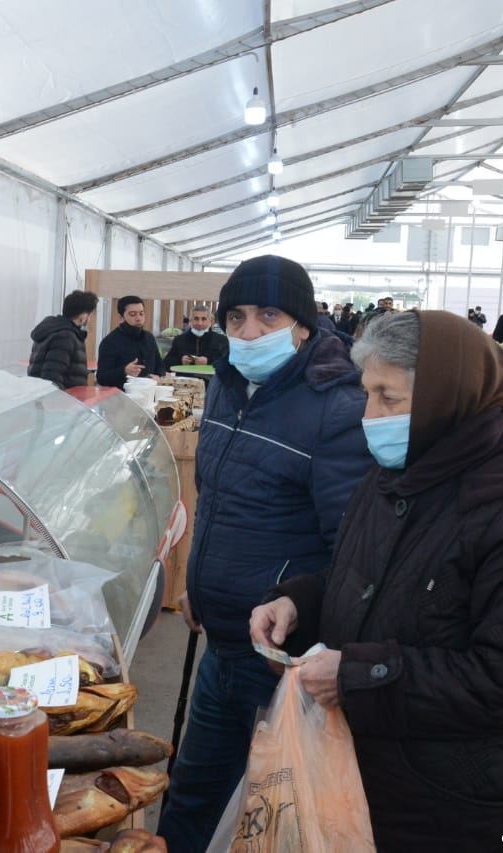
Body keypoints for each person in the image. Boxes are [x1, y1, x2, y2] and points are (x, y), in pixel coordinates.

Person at [249, 310, 503, 852]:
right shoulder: (392, 476)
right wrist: (298, 603)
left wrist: (359, 676)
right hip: (360, 781)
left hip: (451, 810)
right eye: (367, 394)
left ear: (444, 397)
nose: (369, 415)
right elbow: (364, 578)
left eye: (388, 398)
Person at [157, 255, 372, 852]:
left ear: (302, 324)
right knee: (192, 794)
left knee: (269, 811)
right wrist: (198, 579)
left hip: (279, 654)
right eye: (237, 317)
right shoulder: (226, 387)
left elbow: (350, 549)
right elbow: (220, 499)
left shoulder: (337, 408)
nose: (249, 331)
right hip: (221, 642)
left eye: (268, 316)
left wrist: (303, 621)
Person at [28, 289, 99, 390]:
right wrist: (61, 399)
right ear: (83, 316)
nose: (90, 319)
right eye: (89, 314)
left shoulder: (51, 329)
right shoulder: (65, 336)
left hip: (43, 393)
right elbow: (52, 376)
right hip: (63, 397)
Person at [96, 295, 164, 388]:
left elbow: (160, 365)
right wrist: (124, 371)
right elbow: (101, 377)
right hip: (122, 394)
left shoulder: (149, 338)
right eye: (133, 314)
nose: (138, 318)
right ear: (121, 318)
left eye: (141, 314)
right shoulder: (110, 342)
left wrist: (158, 375)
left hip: (148, 392)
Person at [163, 304, 228, 372]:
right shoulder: (179, 340)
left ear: (210, 321)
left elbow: (228, 364)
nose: (200, 323)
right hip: (185, 378)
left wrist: (208, 361)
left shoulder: (221, 340)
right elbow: (166, 364)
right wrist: (181, 360)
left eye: (203, 319)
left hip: (210, 378)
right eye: (196, 319)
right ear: (190, 321)